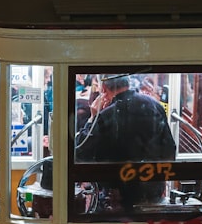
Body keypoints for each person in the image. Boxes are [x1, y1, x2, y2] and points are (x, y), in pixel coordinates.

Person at [75, 74, 177, 210]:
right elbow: (169, 149)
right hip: (152, 193)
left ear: (104, 88)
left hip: (116, 199)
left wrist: (93, 117)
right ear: (128, 83)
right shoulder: (155, 106)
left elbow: (79, 152)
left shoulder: (106, 115)